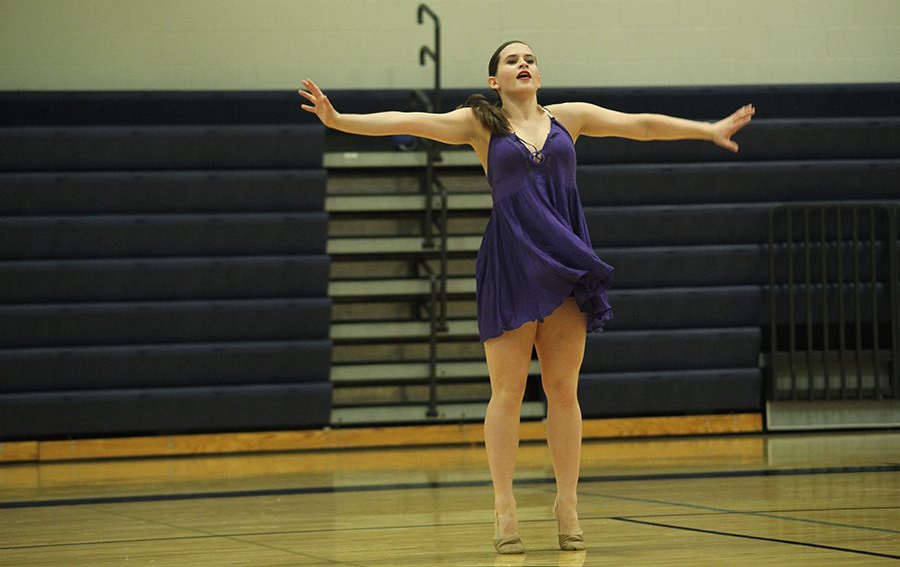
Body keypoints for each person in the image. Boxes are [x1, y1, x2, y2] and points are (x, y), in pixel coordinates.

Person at [300, 40, 755, 554]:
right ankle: (504, 505)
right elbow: (409, 121)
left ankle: (567, 503)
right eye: (512, 60)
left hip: (564, 263)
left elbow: (641, 125)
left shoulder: (570, 118)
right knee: (508, 393)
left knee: (564, 391)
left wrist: (708, 129)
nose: (524, 64)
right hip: (511, 264)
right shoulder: (479, 123)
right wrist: (339, 120)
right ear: (495, 80)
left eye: (531, 58)